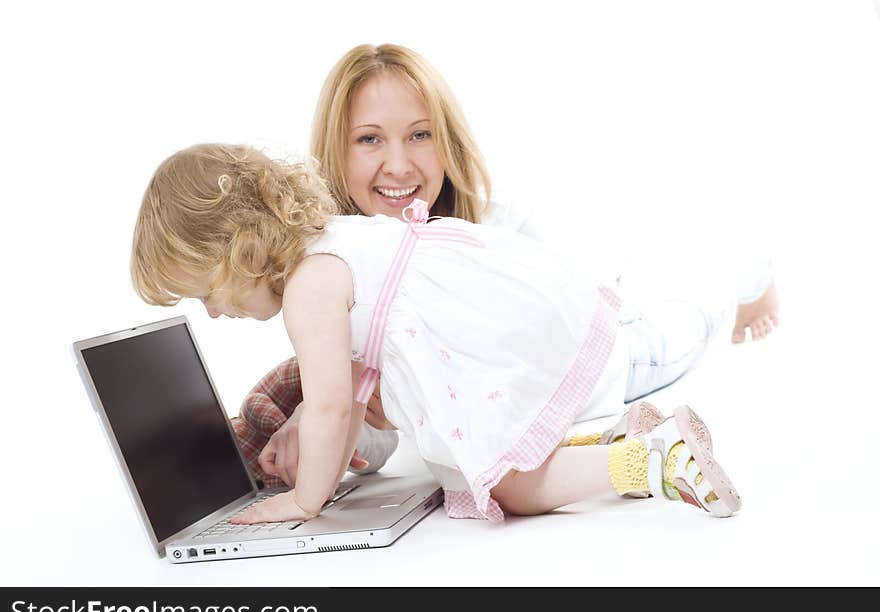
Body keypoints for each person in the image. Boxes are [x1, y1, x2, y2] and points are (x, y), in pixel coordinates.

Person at [229, 43, 779, 491]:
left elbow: (572, 324)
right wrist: (319, 430)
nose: (398, 164)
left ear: (447, 142)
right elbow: (377, 426)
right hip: (547, 393)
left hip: (613, 350)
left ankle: (746, 277)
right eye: (369, 140)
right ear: (335, 152)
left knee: (691, 324)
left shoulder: (492, 229)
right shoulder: (341, 272)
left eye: (420, 135)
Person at [131, 143, 748, 522]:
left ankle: (652, 461)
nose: (212, 312)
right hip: (504, 319)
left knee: (508, 488)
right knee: (507, 456)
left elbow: (326, 404)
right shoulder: (330, 244)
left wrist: (304, 502)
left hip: (483, 340)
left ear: (238, 249)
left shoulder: (308, 289)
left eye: (206, 292)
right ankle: (615, 441)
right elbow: (344, 400)